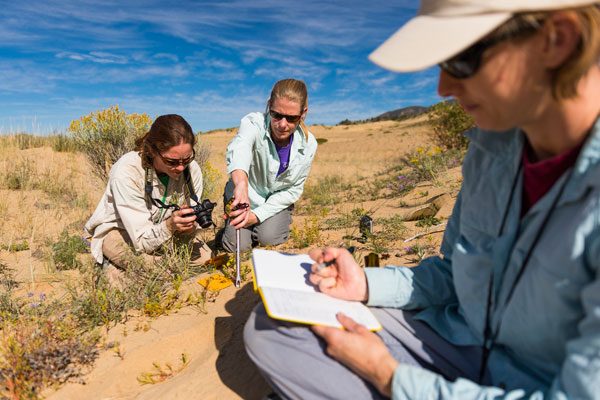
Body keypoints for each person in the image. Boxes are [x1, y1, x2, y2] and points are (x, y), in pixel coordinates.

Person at [243, 1, 600, 398]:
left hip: (538, 380)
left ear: (557, 40)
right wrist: (364, 283)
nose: (443, 87)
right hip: (462, 342)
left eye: (461, 60)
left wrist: (389, 375)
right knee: (273, 329)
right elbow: (455, 276)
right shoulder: (492, 147)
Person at [85, 114, 212, 283]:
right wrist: (169, 226)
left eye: (187, 159)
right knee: (163, 273)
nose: (180, 167)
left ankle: (135, 269)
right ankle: (109, 272)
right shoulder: (127, 171)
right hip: (121, 232)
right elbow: (141, 240)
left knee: (206, 259)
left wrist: (189, 227)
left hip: (163, 232)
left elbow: (188, 218)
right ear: (152, 151)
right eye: (171, 161)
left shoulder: (191, 170)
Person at [221, 78, 317, 252]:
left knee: (269, 238)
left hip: (275, 203)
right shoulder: (254, 123)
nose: (282, 124)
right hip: (245, 198)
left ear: (303, 113)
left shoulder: (310, 145)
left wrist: (257, 216)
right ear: (268, 106)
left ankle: (261, 228)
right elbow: (239, 148)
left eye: (291, 118)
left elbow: (293, 190)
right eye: (276, 115)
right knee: (236, 247)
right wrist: (241, 185)